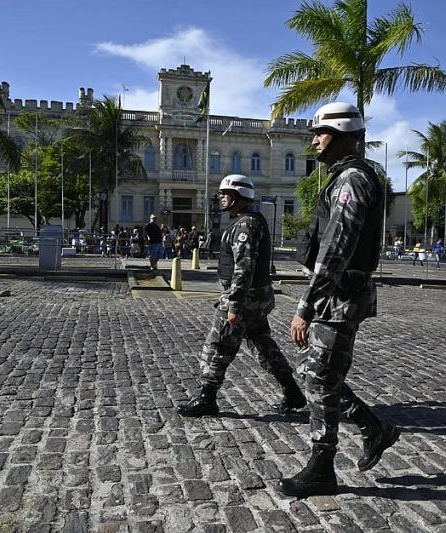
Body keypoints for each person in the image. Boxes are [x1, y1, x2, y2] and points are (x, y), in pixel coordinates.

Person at [280, 102, 400, 498]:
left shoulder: (352, 180)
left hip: (339, 297)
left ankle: (322, 465)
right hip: (337, 296)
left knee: (317, 376)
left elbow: (336, 248)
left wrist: (305, 305)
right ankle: (373, 429)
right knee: (318, 375)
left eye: (322, 133)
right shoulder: (343, 177)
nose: (315, 140)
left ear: (347, 136)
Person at [177, 174, 306, 418]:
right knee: (263, 345)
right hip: (256, 298)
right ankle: (292, 392)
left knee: (218, 346)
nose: (222, 198)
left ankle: (207, 397)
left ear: (240, 197)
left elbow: (243, 267)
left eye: (227, 194)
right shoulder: (248, 221)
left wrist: (234, 305)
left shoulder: (246, 225)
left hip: (244, 298)